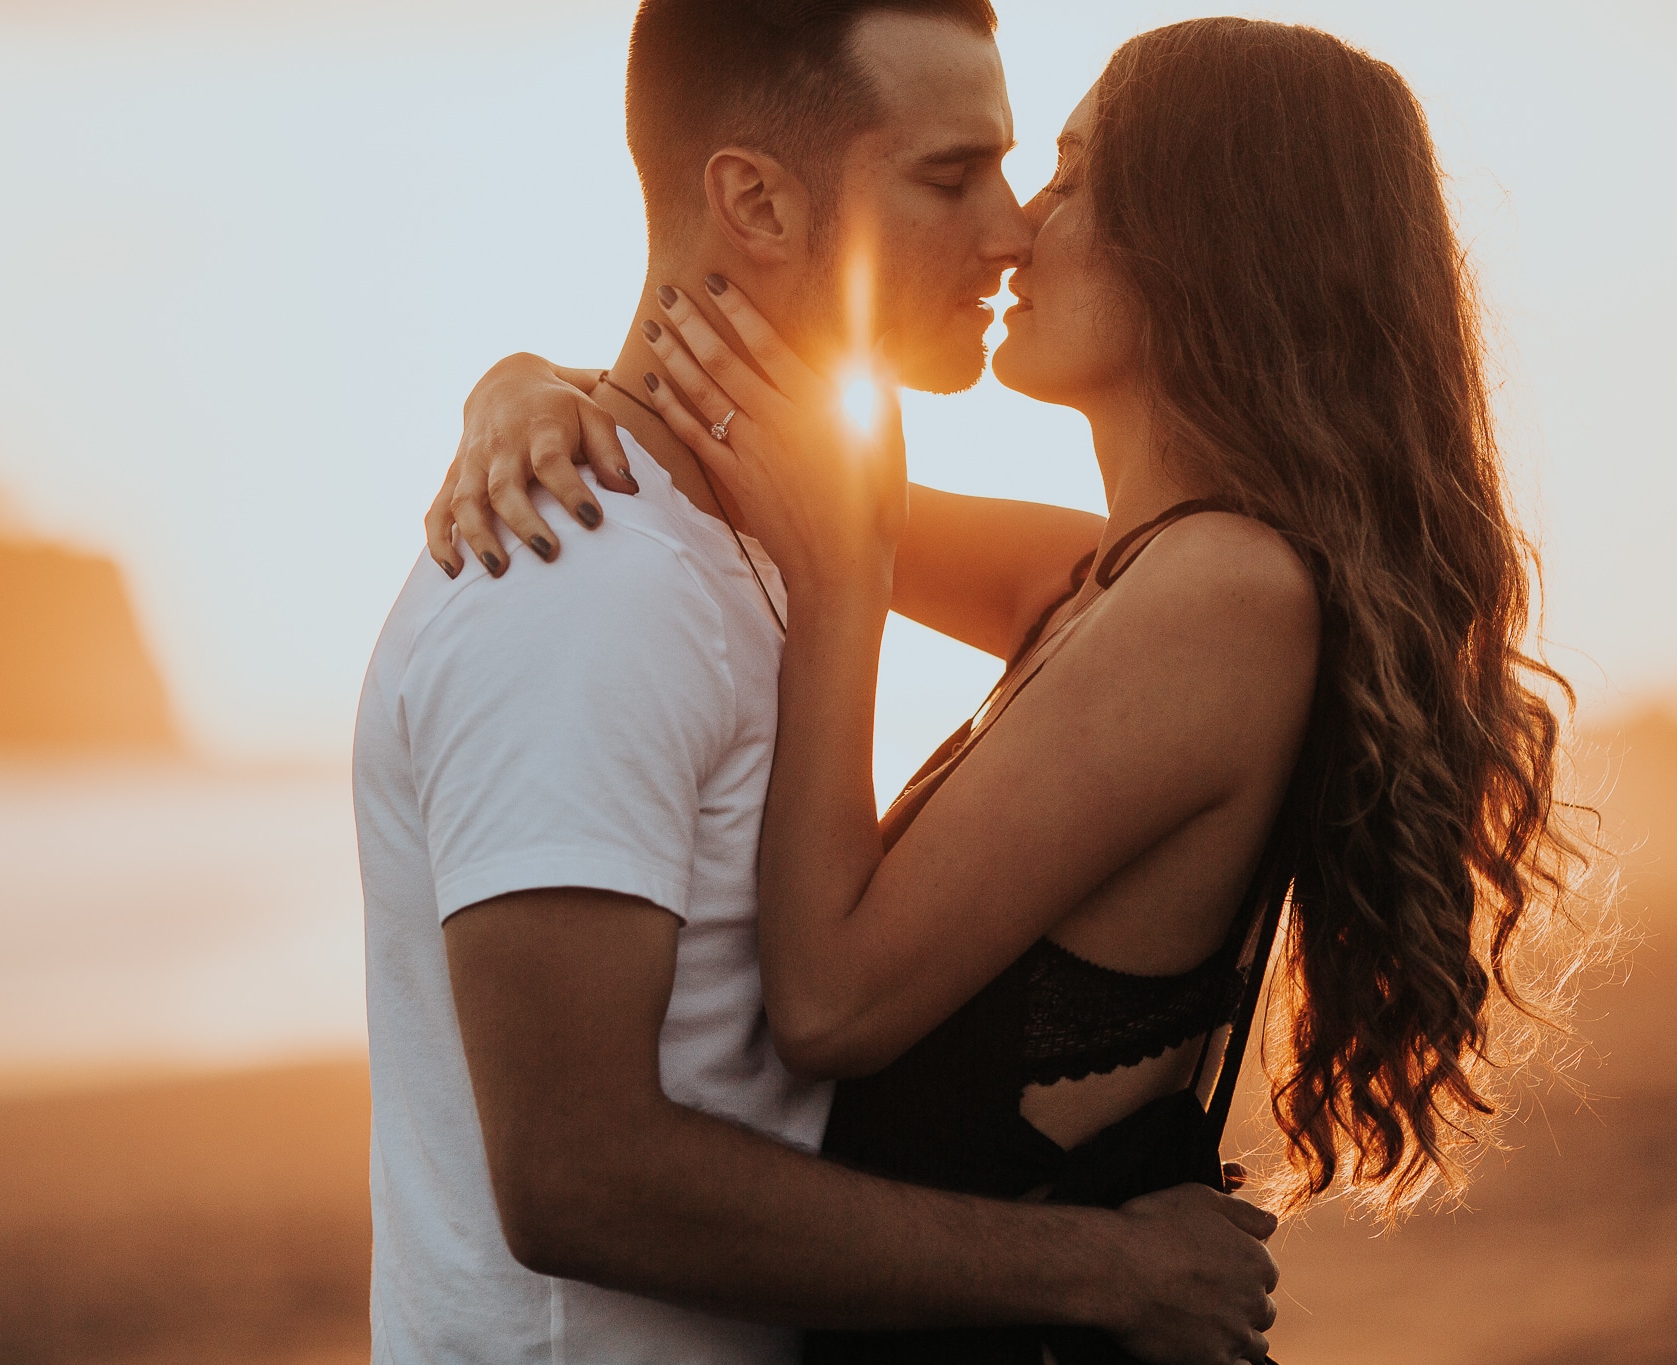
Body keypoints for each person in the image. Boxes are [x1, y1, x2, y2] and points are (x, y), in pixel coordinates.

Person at [434, 14, 1605, 1365]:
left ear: (1207, 241)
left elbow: (828, 1004)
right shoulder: (1118, 576)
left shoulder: (1224, 598)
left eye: (1066, 175)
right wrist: (515, 389)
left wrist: (840, 599)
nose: (1015, 226)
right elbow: (740, 457)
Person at [353, 4, 1281, 1365]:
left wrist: (530, 376)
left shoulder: (780, 534)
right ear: (755, 202)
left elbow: (1108, 589)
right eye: (951, 175)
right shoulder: (580, 581)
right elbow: (574, 1174)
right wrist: (1107, 1267)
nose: (1015, 227)